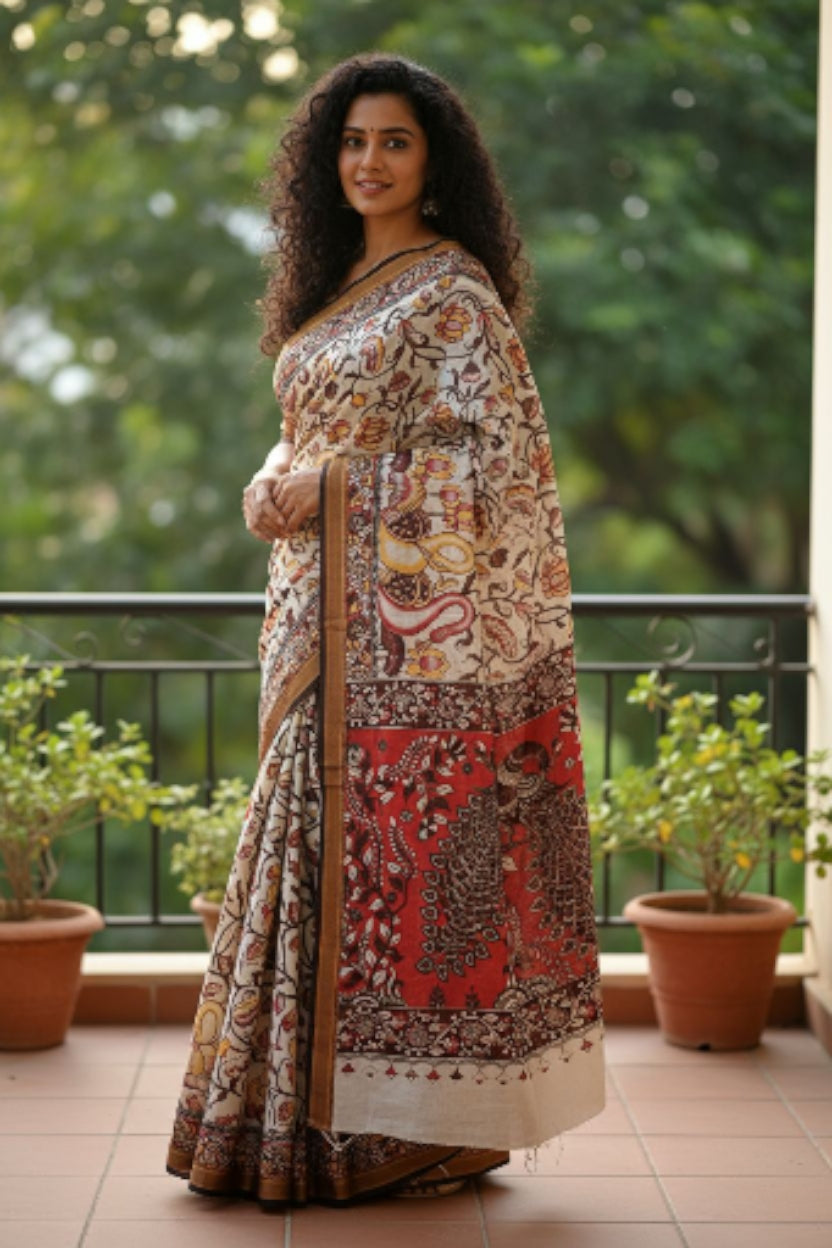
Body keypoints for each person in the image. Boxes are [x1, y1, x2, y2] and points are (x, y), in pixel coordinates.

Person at [167, 51, 605, 1208]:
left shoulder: (451, 295)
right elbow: (310, 425)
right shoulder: (332, 289)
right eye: (352, 142)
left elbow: (487, 462)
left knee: (384, 869)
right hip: (307, 620)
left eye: (394, 142)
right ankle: (286, 1124)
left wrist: (326, 491)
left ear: (434, 160)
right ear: (328, 159)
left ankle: (396, 1133)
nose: (369, 161)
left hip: (404, 643)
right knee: (300, 854)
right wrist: (273, 478)